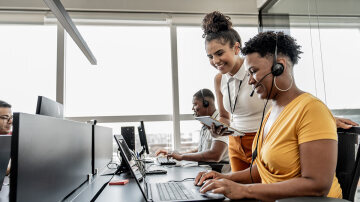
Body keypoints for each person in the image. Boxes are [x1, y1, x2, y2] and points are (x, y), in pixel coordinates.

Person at [201, 11, 358, 173]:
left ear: (235, 48)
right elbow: (225, 116)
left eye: (219, 53)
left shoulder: (258, 70)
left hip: (265, 139)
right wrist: (217, 128)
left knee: (262, 190)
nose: (215, 61)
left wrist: (324, 117)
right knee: (240, 191)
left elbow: (290, 97)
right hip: (235, 144)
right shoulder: (219, 79)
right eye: (210, 56)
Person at [194, 31, 342, 200]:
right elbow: (260, 171)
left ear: (279, 67)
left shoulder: (312, 110)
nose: (250, 80)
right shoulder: (272, 112)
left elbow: (318, 185)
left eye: (253, 71)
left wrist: (244, 190)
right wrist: (224, 178)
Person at [156, 89, 230, 172]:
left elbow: (215, 155)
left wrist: (182, 157)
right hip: (204, 171)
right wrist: (178, 154)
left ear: (206, 104)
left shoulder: (219, 122)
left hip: (218, 175)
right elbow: (201, 149)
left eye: (195, 104)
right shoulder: (206, 122)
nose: (192, 108)